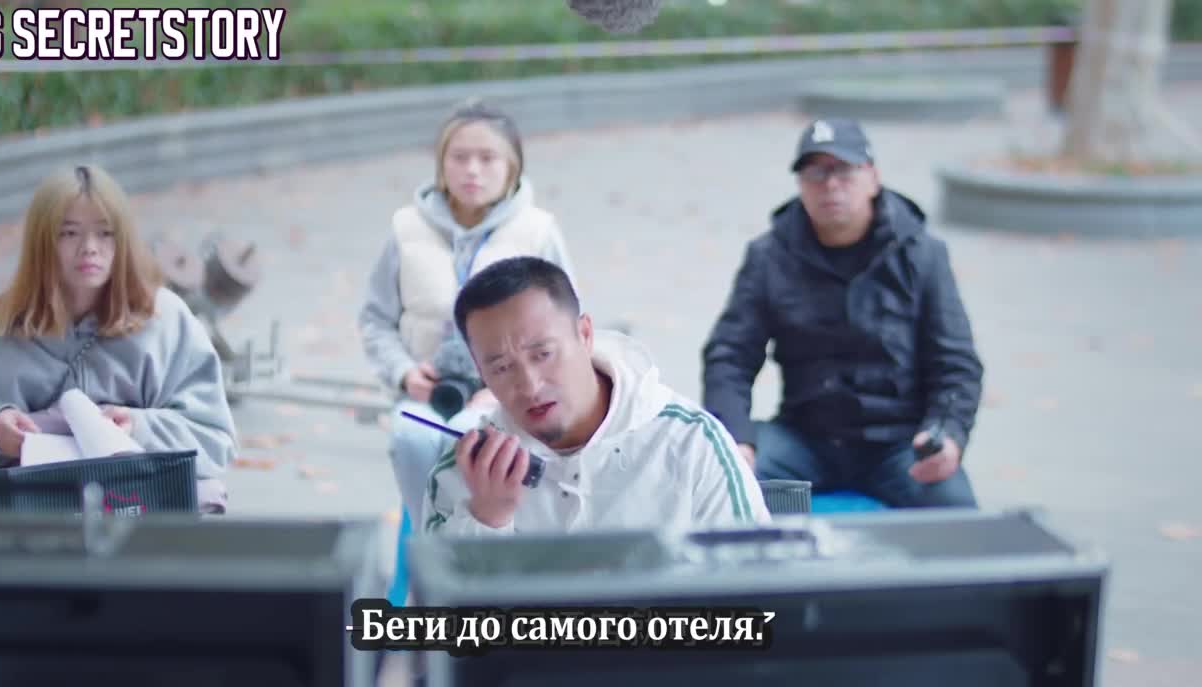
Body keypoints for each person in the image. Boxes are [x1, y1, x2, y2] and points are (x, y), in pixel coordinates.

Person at [701, 118, 983, 509]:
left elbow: (955, 361)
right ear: (800, 184)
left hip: (900, 444)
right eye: (815, 173)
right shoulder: (768, 256)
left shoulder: (923, 255)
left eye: (844, 170)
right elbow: (729, 356)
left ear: (873, 178)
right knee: (725, 487)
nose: (830, 185)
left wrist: (947, 432)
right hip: (804, 438)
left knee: (957, 514)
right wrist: (736, 439)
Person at [0, 164, 238, 513]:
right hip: (28, 523)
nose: (89, 248)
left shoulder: (165, 321)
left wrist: (139, 427)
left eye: (105, 233)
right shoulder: (2, 327)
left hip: (143, 518)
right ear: (42, 243)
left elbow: (215, 440)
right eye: (69, 233)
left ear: (123, 241)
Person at [422, 256, 769, 536]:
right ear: (480, 373)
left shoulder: (691, 443)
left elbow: (753, 583)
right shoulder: (464, 474)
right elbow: (436, 603)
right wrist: (485, 521)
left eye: (543, 354)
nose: (529, 385)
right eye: (500, 367)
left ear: (585, 334)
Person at [358, 99, 577, 531]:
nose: (472, 170)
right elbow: (375, 320)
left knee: (469, 436)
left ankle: (472, 544)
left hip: (506, 399)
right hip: (426, 395)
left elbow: (566, 329)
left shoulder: (538, 232)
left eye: (487, 158)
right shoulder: (406, 228)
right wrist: (405, 373)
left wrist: (506, 390)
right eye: (459, 157)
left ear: (512, 166)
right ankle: (428, 540)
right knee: (413, 435)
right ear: (442, 163)